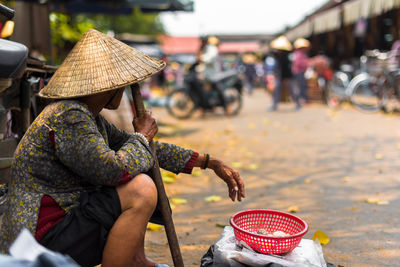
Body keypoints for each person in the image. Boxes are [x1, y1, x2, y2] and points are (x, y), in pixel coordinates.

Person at [0, 29, 245, 267]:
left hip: (62, 226)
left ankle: (136, 261)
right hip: (40, 238)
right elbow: (113, 170)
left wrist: (209, 162)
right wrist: (141, 136)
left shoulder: (90, 117)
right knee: (140, 187)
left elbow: (146, 148)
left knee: (139, 164)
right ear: (110, 85)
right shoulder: (69, 115)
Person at [268, 35, 300, 111]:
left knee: (291, 90)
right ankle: (274, 105)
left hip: (286, 76)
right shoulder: (279, 56)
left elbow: (286, 68)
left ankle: (297, 104)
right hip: (281, 76)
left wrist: (286, 78)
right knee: (277, 90)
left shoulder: (285, 56)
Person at [292, 38, 310, 106]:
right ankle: (301, 98)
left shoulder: (299, 53)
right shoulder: (299, 53)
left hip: (300, 71)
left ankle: (301, 98)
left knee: (301, 85)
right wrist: (305, 64)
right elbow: (298, 63)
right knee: (301, 85)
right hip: (299, 71)